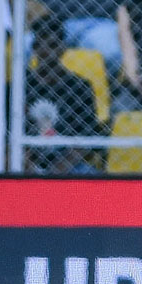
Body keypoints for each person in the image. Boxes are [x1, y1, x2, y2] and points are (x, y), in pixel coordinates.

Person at [25, 16, 108, 175]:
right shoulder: (21, 87)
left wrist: (61, 168)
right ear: (34, 48)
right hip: (28, 164)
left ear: (63, 48)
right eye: (40, 45)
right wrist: (27, 166)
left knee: (89, 175)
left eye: (53, 45)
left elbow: (86, 139)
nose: (47, 51)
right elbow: (9, 136)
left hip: (69, 165)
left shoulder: (79, 87)